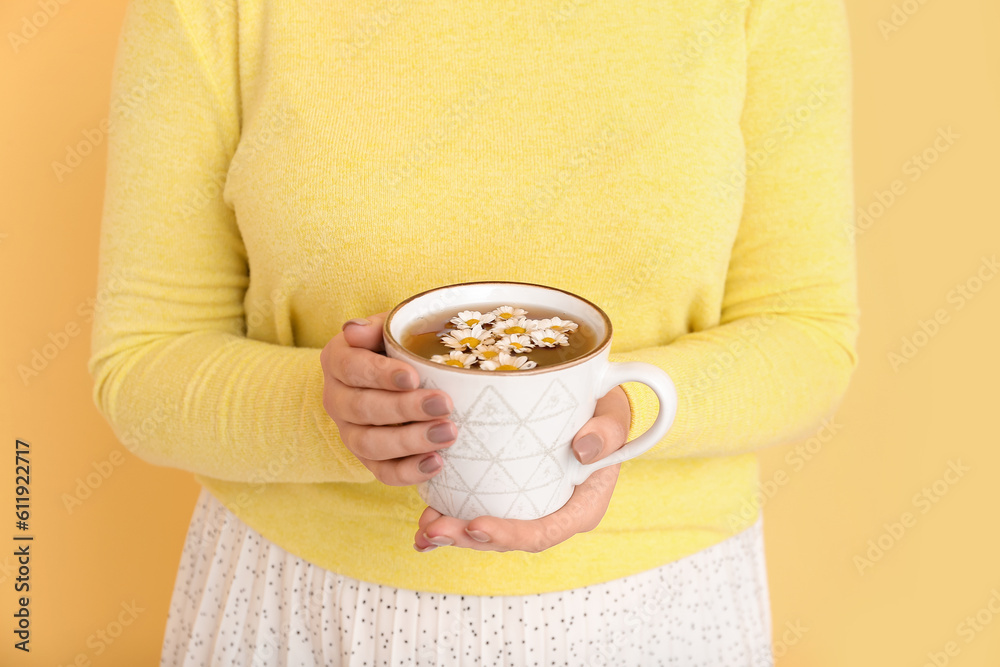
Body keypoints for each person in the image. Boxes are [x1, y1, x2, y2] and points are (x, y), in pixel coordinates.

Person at [88, 0, 859, 664]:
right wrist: (330, 415)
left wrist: (622, 412)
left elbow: (807, 336)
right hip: (301, 611)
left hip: (660, 610)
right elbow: (140, 363)